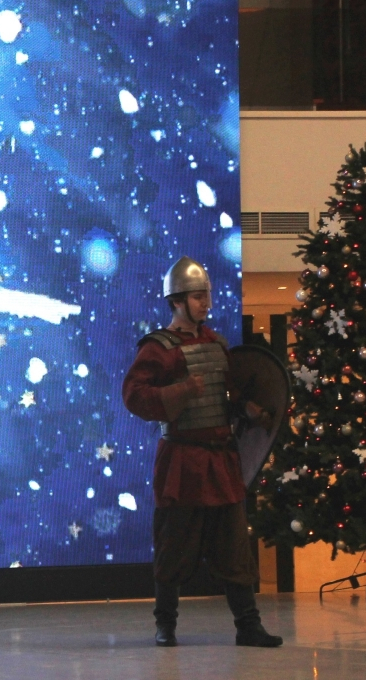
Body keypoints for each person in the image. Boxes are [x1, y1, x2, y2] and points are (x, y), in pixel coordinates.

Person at [121, 257, 282, 649]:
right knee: (173, 546)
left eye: (206, 295)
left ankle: (248, 626)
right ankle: (166, 626)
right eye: (197, 297)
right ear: (177, 301)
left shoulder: (216, 344)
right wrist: (180, 391)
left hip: (221, 460)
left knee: (234, 546)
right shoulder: (158, 349)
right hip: (182, 462)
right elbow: (134, 396)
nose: (205, 303)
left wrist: (247, 408)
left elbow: (227, 395)